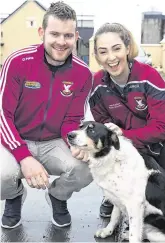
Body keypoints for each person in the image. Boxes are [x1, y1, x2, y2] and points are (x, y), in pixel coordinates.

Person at [0, 1, 93, 229]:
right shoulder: (18, 62)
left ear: (76, 36)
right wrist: (24, 156)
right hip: (17, 138)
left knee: (88, 165)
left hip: (54, 142)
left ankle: (57, 197)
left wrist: (74, 144)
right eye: (54, 34)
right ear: (42, 32)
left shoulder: (83, 73)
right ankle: (14, 195)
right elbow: (3, 115)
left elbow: (72, 120)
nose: (61, 42)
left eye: (68, 35)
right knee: (2, 174)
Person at [89, 22, 165, 218]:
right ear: (97, 56)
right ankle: (111, 195)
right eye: (103, 52)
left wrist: (126, 134)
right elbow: (103, 126)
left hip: (156, 144)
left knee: (159, 193)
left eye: (116, 49)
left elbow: (161, 127)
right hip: (125, 148)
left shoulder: (150, 77)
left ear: (128, 48)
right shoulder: (97, 84)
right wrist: (120, 139)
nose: (111, 58)